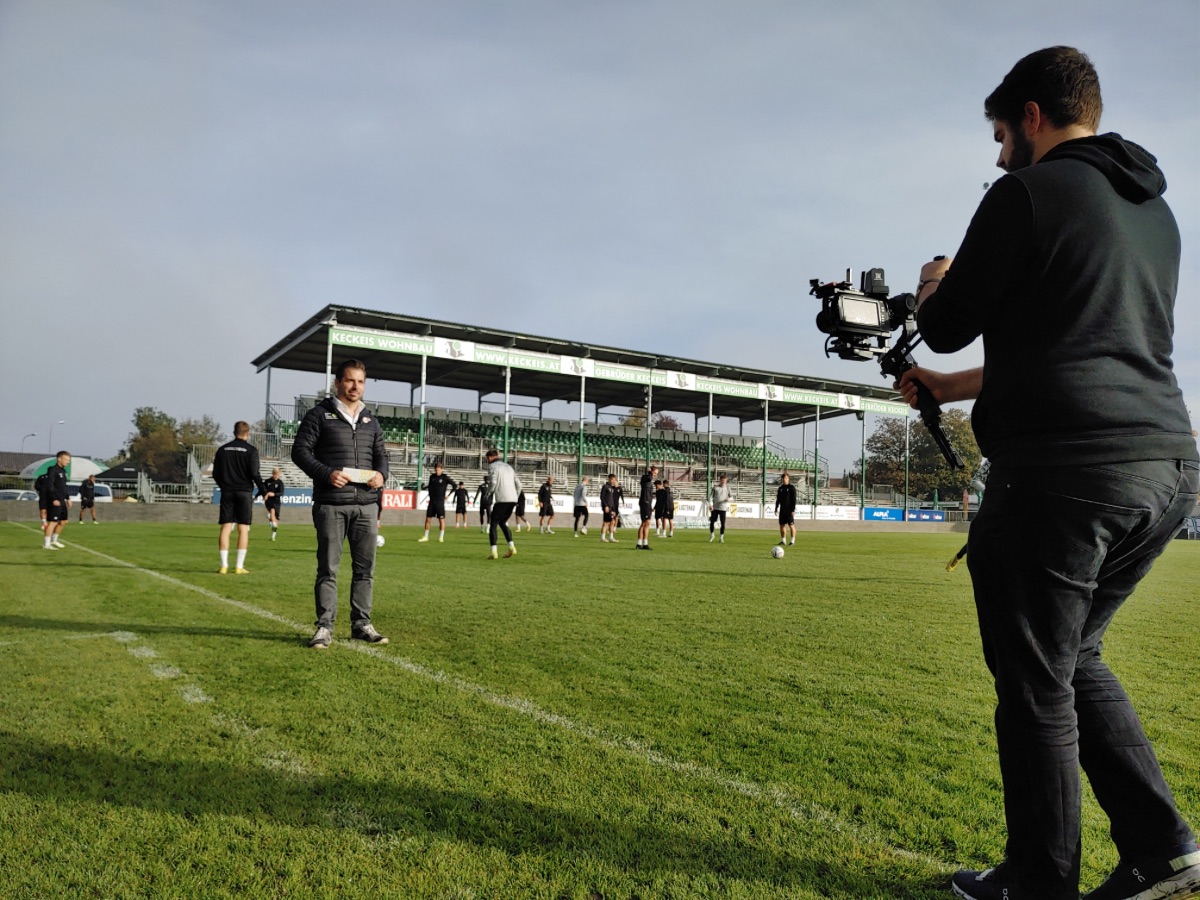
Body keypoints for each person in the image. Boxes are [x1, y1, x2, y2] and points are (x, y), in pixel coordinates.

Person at [896, 47, 1199, 900]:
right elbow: (1078, 339)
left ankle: (1038, 883)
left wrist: (931, 287)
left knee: (1034, 682)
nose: (997, 155)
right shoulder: (1156, 212)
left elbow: (950, 324)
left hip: (1065, 472)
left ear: (1031, 117)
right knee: (1073, 658)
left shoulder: (1026, 192)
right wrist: (954, 390)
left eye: (1000, 134)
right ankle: (1162, 848)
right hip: (1166, 463)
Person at [292, 358, 390, 650]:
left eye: (360, 381)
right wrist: (326, 473)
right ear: (338, 382)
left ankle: (362, 624)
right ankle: (324, 627)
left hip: (366, 506)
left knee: (365, 570)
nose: (355, 387)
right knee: (328, 569)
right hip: (331, 504)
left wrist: (381, 475)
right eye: (349, 380)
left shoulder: (371, 420)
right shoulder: (319, 415)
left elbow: (382, 455)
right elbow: (300, 451)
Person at [212, 421, 265, 574]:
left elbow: (216, 473)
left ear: (234, 432)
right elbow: (255, 473)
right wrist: (262, 489)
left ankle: (223, 565)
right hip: (244, 492)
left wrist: (224, 485)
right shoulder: (251, 450)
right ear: (247, 433)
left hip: (227, 491)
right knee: (243, 529)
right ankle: (239, 566)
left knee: (226, 527)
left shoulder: (222, 449)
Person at [483, 448, 520, 559]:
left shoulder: (492, 467)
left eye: (487, 458)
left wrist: (488, 493)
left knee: (493, 524)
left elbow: (493, 482)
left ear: (490, 457)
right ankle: (511, 547)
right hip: (512, 499)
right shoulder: (509, 467)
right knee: (502, 522)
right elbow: (519, 485)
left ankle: (494, 552)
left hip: (502, 499)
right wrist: (516, 497)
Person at [41, 451, 71, 550]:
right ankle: (46, 544)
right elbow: (50, 486)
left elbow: (64, 487)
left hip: (62, 500)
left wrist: (68, 498)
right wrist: (53, 498)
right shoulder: (53, 470)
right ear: (59, 459)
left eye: (69, 460)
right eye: (66, 460)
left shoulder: (63, 471)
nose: (68, 462)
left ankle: (54, 540)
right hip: (55, 500)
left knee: (64, 521)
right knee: (53, 522)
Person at [418, 462, 453, 543]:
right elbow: (430, 486)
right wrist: (424, 487)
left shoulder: (445, 477)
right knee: (428, 519)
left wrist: (448, 495)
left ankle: (441, 537)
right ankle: (426, 536)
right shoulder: (432, 477)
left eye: (439, 470)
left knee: (441, 519)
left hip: (440, 502)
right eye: (436, 470)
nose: (437, 471)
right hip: (432, 501)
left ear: (441, 469)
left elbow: (454, 486)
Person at [260, 467, 285, 541]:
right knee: (272, 512)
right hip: (269, 501)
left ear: (279, 475)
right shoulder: (267, 481)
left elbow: (281, 493)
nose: (275, 476)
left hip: (277, 501)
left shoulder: (280, 483)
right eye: (274, 474)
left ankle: (273, 536)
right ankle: (271, 517)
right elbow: (262, 489)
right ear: (272, 474)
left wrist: (273, 494)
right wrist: (263, 495)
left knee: (275, 519)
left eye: (277, 474)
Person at [636, 465, 657, 550]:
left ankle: (641, 543)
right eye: (655, 473)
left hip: (647, 502)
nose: (655, 475)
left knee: (645, 523)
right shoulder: (646, 477)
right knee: (646, 523)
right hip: (645, 502)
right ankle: (643, 543)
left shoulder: (648, 480)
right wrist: (649, 473)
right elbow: (649, 478)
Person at [599, 473, 622, 543]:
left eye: (614, 480)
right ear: (609, 479)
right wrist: (605, 506)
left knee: (612, 522)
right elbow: (602, 497)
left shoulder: (611, 488)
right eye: (612, 479)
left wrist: (614, 509)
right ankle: (602, 538)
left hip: (611, 507)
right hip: (607, 507)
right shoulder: (605, 487)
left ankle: (611, 537)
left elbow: (611, 499)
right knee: (606, 522)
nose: (613, 481)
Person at [775, 472, 797, 546]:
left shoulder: (791, 488)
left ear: (788, 479)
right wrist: (776, 507)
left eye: (786, 478)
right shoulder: (780, 488)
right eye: (783, 478)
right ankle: (783, 541)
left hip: (789, 510)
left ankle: (792, 541)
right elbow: (778, 499)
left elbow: (794, 500)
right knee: (782, 526)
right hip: (782, 510)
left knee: (791, 525)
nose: (785, 479)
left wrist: (793, 510)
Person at [709, 474, 732, 543]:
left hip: (723, 508)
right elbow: (710, 497)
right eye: (722, 480)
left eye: (724, 481)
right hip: (715, 508)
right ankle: (712, 535)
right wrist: (710, 505)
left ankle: (721, 537)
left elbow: (732, 497)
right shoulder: (715, 488)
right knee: (712, 522)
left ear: (726, 481)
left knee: (723, 523)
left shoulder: (728, 488)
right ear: (720, 480)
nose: (723, 482)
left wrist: (729, 499)